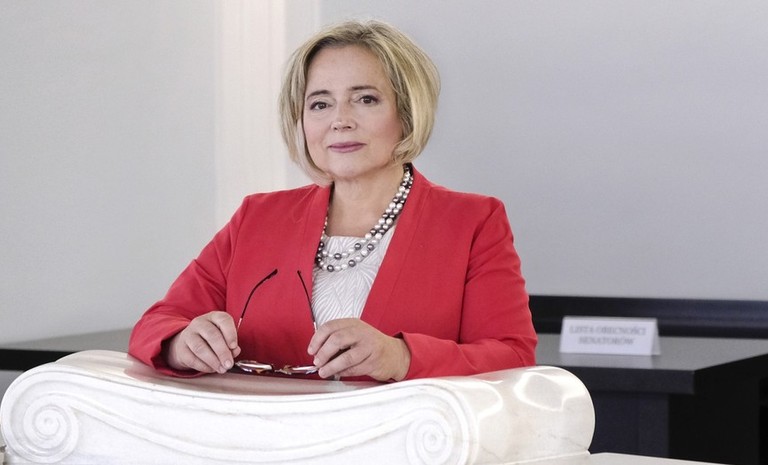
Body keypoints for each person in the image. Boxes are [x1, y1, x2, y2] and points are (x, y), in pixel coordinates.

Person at [128, 19, 537, 382]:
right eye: (320, 104)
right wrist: (181, 343)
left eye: (366, 99)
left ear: (408, 112)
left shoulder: (473, 221)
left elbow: (513, 357)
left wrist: (401, 357)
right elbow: (159, 322)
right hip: (261, 434)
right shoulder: (257, 216)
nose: (340, 120)